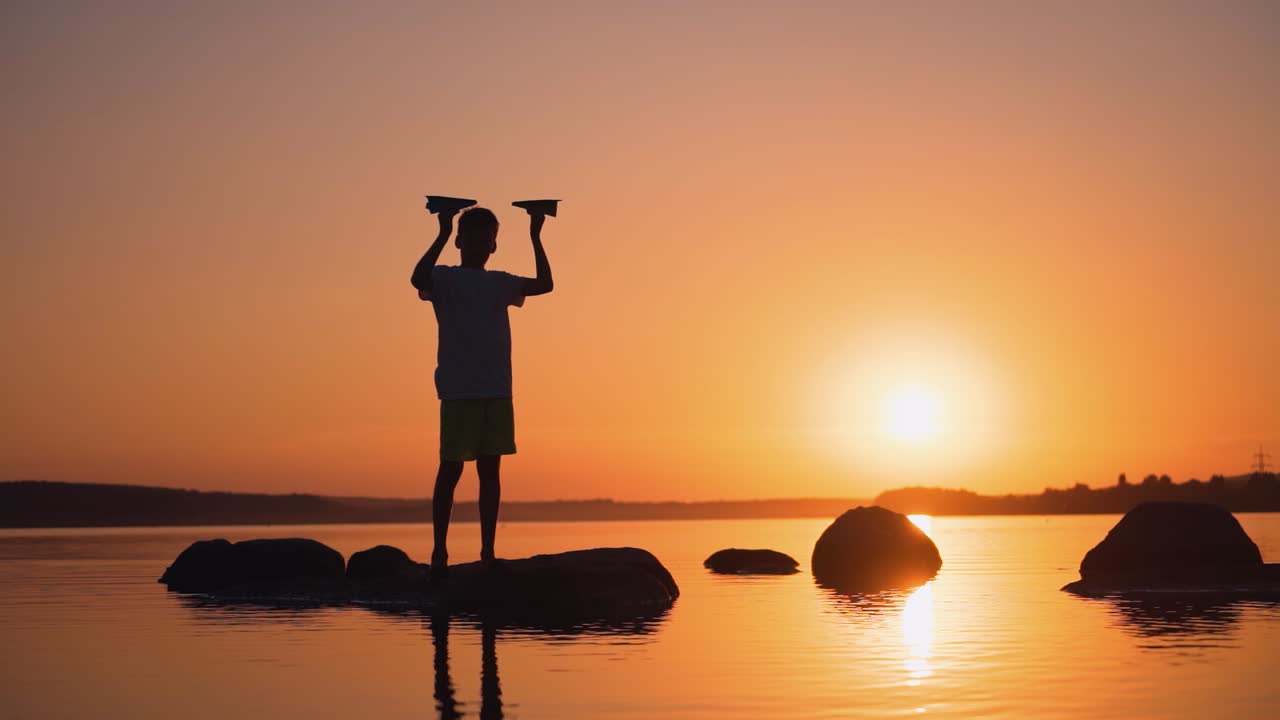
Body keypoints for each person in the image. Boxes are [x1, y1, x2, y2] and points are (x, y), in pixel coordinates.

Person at [410, 206, 553, 578]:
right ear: (460, 241)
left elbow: (545, 284)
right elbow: (417, 278)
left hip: (496, 390)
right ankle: (439, 551)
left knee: (491, 473)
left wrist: (536, 235)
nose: (478, 244)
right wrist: (441, 231)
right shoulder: (443, 278)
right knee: (450, 470)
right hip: (458, 391)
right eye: (470, 237)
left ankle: (487, 551)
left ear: (494, 245)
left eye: (486, 238)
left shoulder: (500, 283)